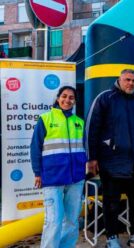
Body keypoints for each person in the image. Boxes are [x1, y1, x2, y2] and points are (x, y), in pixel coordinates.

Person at [86, 69, 134, 248]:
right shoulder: (105, 98)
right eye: (127, 80)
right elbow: (91, 128)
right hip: (112, 162)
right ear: (119, 79)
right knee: (111, 203)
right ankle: (111, 238)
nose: (131, 83)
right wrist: (91, 158)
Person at [30, 86, 86, 248]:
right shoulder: (46, 119)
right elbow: (35, 147)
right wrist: (37, 172)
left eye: (71, 98)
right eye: (64, 96)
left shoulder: (79, 122)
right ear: (57, 98)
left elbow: (85, 148)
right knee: (53, 221)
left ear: (75, 101)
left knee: (72, 220)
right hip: (52, 178)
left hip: (76, 178)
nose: (67, 100)